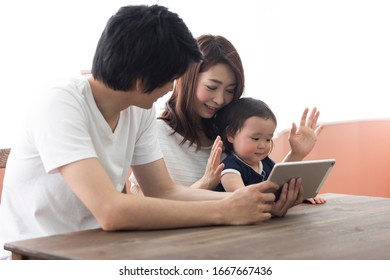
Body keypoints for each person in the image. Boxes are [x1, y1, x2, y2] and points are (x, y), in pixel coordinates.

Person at [0, 5, 300, 260]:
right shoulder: (60, 102)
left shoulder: (138, 109)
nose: (172, 88)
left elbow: (164, 191)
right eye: (171, 78)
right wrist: (224, 211)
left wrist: (252, 201)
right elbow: (111, 210)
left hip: (95, 249)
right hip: (34, 255)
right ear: (142, 79)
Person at [130, 34, 323, 204]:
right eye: (212, 87)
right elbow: (148, 205)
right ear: (188, 80)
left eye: (230, 91)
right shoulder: (154, 133)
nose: (221, 99)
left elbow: (264, 181)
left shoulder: (230, 134)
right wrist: (206, 184)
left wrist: (294, 167)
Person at [213, 97, 325, 205]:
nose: (263, 145)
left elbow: (280, 180)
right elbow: (245, 199)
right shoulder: (229, 168)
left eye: (268, 139)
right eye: (255, 138)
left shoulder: (265, 162)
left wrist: (299, 194)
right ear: (231, 135)